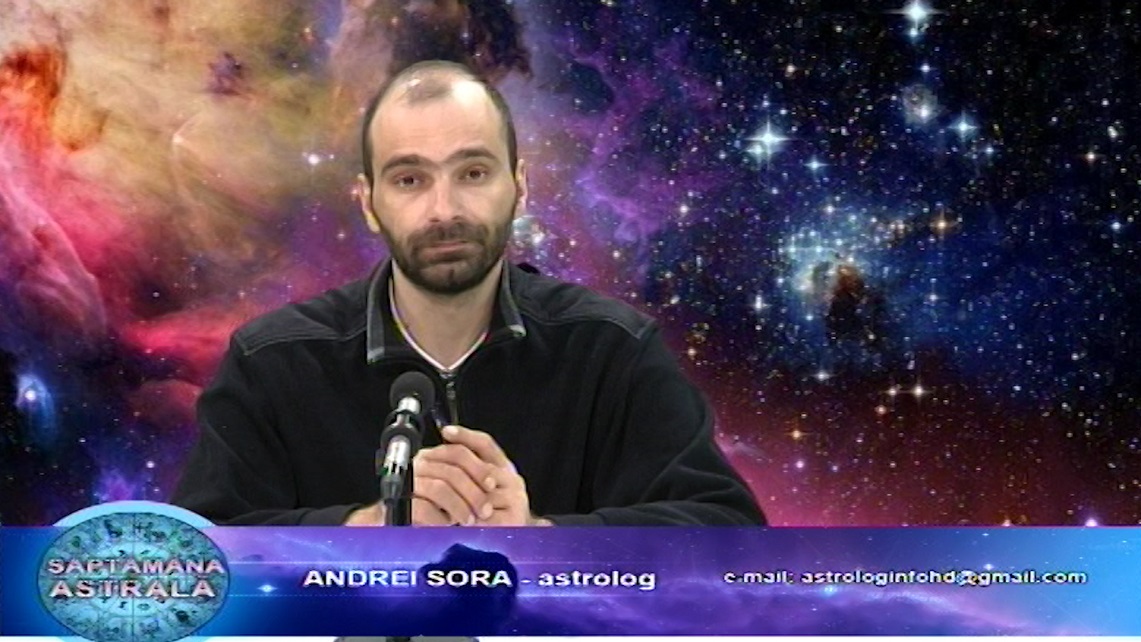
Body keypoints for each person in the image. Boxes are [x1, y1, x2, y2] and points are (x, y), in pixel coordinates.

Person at [171, 60, 765, 526]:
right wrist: (365, 529)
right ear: (368, 203)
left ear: (520, 186)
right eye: (410, 179)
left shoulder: (612, 348)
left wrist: (538, 536)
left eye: (473, 173)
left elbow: (728, 535)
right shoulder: (273, 361)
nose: (444, 209)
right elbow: (189, 558)